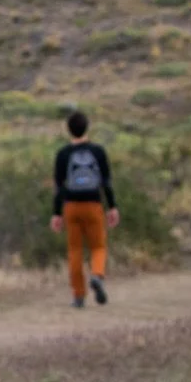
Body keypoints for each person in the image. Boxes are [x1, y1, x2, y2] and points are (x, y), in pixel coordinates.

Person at [48, 110, 120, 309]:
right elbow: (106, 182)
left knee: (74, 250)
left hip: (71, 206)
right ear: (87, 128)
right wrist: (112, 206)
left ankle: (79, 296)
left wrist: (56, 213)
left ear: (69, 130)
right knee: (98, 247)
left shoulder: (63, 154)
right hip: (93, 204)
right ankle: (97, 275)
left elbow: (59, 187)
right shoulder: (98, 151)